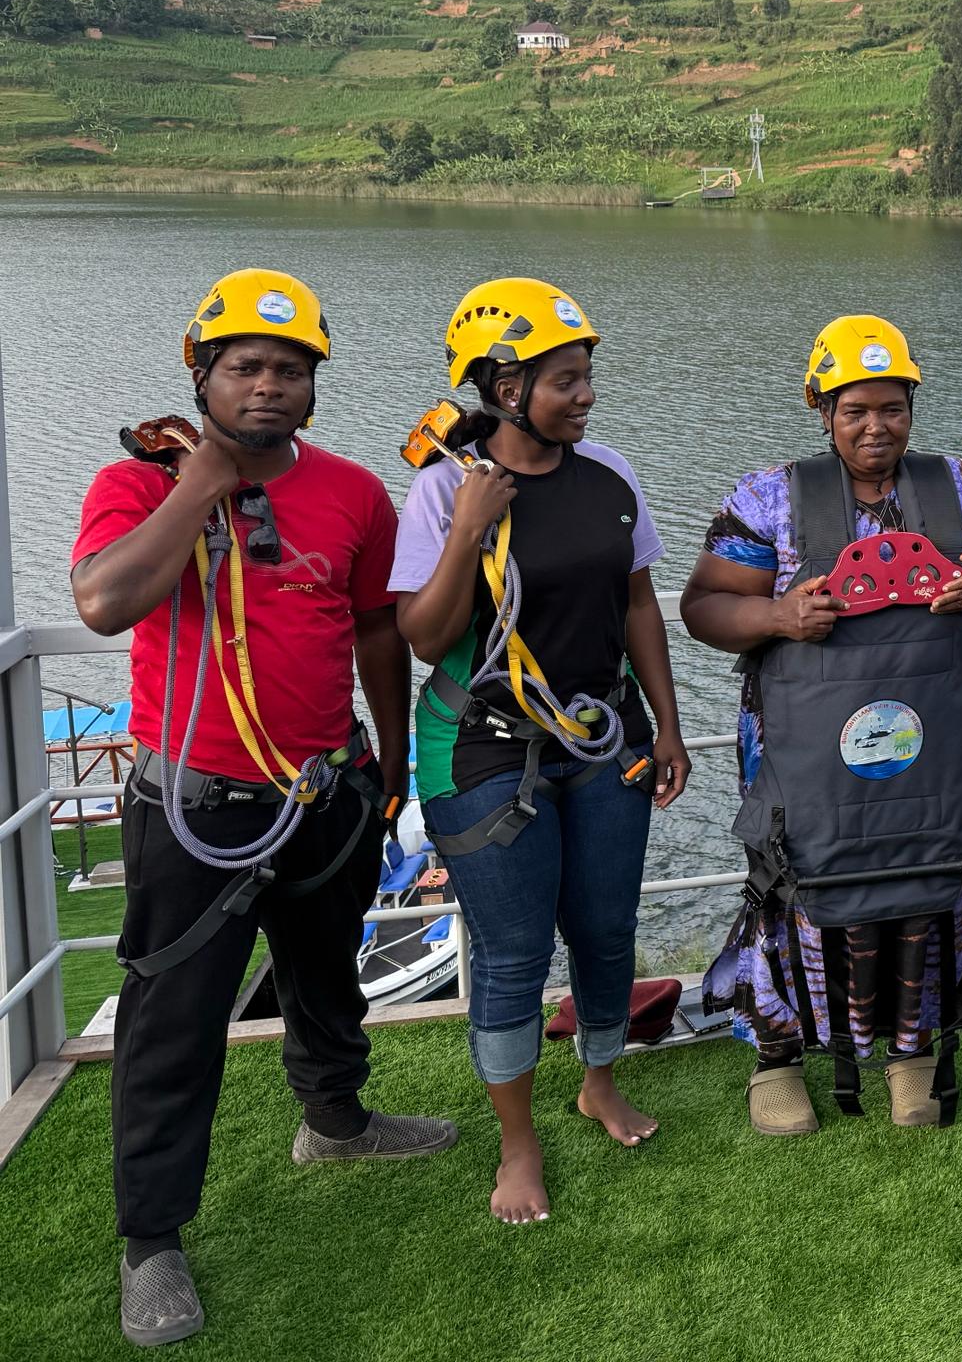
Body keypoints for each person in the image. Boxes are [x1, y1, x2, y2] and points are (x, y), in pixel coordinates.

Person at [71, 269, 455, 1348]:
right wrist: (201, 487)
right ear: (202, 373)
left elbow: (378, 630)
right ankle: (151, 1240)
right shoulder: (140, 483)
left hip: (326, 785)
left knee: (324, 972)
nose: (270, 386)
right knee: (173, 1023)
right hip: (198, 803)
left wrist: (385, 761)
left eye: (291, 369)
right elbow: (104, 603)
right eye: (245, 366)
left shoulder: (352, 494)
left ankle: (335, 1120)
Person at [681, 315, 962, 1135]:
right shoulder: (769, 497)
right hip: (803, 749)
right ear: (821, 406)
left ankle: (911, 1054)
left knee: (927, 880)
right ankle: (779, 1059)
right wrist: (778, 614)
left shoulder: (961, 488)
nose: (876, 426)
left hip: (931, 747)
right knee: (795, 886)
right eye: (855, 410)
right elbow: (701, 607)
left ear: (913, 404)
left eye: (893, 408)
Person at [392, 277, 690, 1225]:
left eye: (588, 376)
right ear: (505, 386)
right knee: (517, 954)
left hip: (602, 738)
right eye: (567, 380)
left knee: (605, 929)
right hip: (485, 750)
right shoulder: (445, 488)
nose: (588, 395)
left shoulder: (609, 475)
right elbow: (423, 637)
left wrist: (669, 725)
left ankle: (599, 1082)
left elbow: (638, 602)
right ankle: (517, 1146)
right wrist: (469, 530)